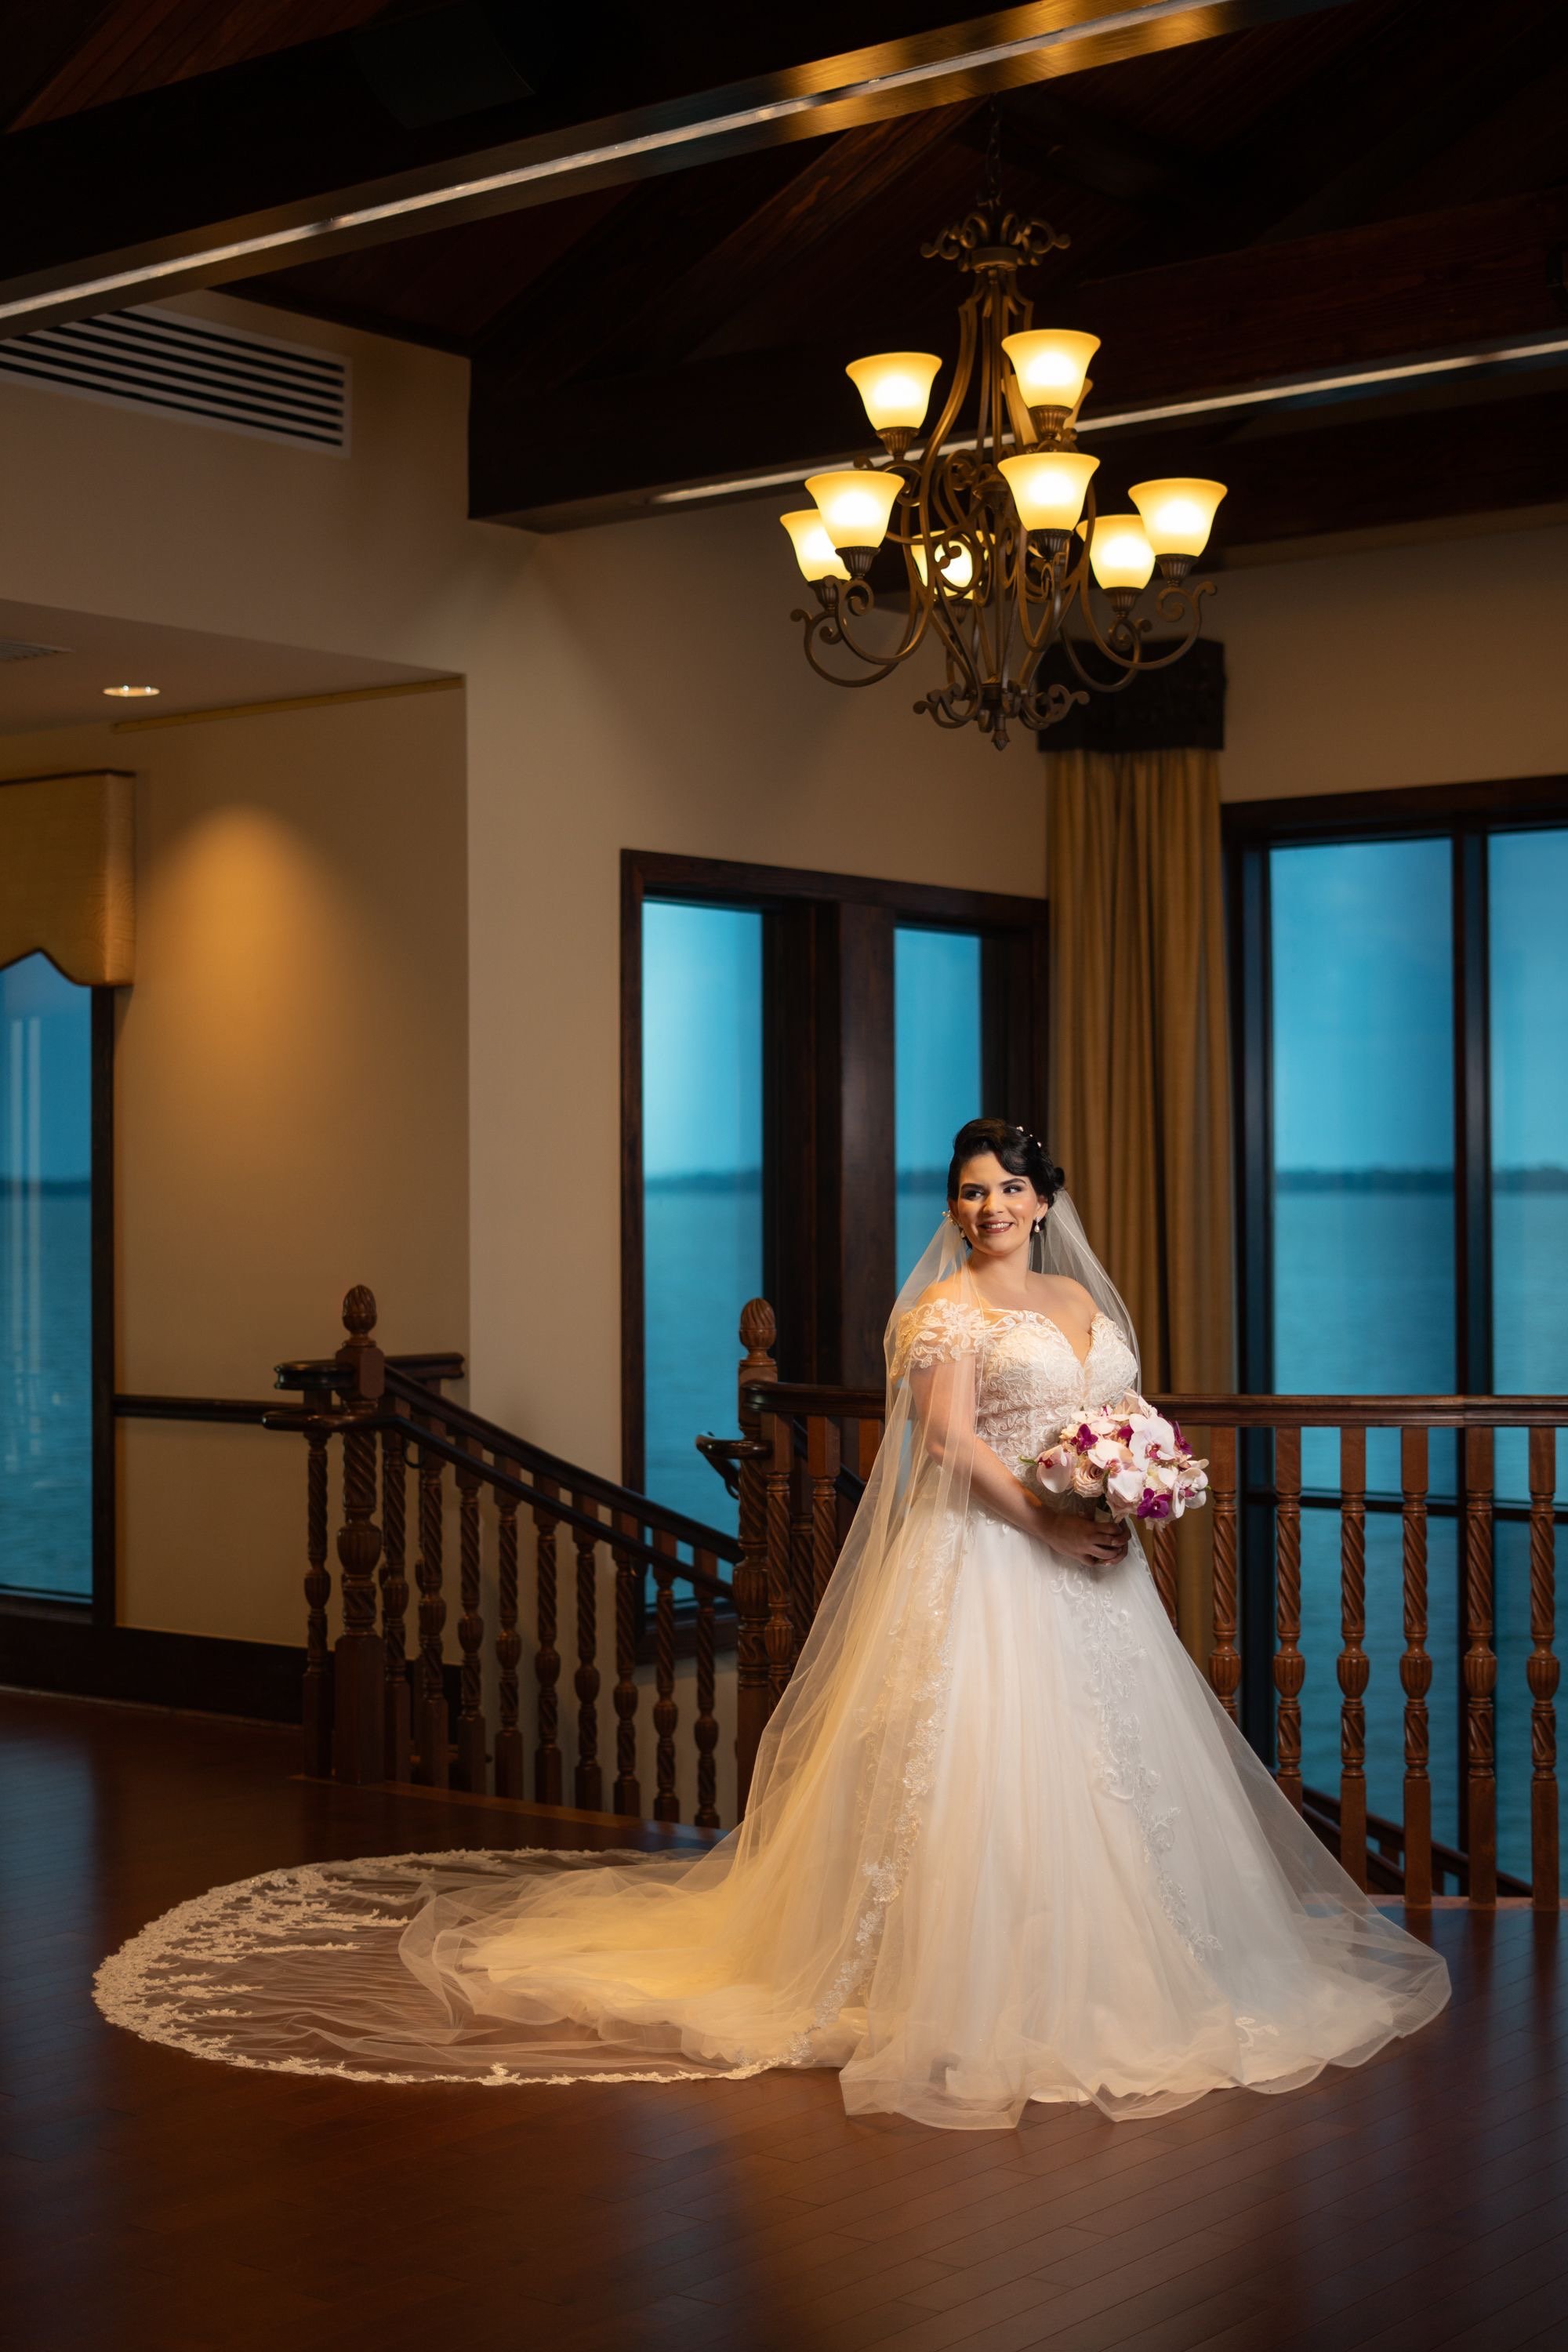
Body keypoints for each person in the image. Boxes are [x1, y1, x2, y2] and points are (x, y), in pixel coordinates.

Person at [96, 1117, 1449, 2129]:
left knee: (1113, 1779)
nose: (985, 1207)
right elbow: (949, 1440)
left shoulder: (1084, 1299)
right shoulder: (940, 1310)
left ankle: (1132, 1969)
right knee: (977, 1773)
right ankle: (960, 1987)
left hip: (1097, 1568)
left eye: (1007, 1188)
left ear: (1046, 1199)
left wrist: (1124, 1488)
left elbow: (1121, 1414)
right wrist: (1045, 1516)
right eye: (968, 1190)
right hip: (986, 1558)